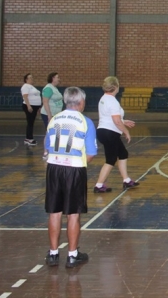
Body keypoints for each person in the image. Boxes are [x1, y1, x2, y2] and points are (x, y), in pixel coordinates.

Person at [43, 86, 97, 268]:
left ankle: (53, 253)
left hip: (54, 167)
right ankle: (72, 255)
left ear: (66, 101)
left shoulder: (54, 120)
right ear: (81, 102)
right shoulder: (85, 121)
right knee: (73, 213)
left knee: (54, 212)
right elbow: (90, 153)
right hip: (74, 169)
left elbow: (47, 147)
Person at [94, 76, 138, 193]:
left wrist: (124, 121)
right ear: (115, 87)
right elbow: (116, 121)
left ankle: (126, 180)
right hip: (110, 132)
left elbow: (112, 118)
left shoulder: (104, 99)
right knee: (111, 159)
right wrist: (126, 131)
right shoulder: (112, 101)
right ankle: (99, 185)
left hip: (104, 131)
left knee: (123, 153)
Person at [21, 73, 42, 146]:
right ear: (26, 79)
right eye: (30, 78)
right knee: (30, 122)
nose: (32, 79)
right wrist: (29, 106)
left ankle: (28, 138)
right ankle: (29, 138)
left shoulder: (32, 87)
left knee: (31, 122)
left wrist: (38, 107)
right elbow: (25, 97)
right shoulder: (25, 86)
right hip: (30, 106)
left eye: (32, 77)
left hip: (35, 106)